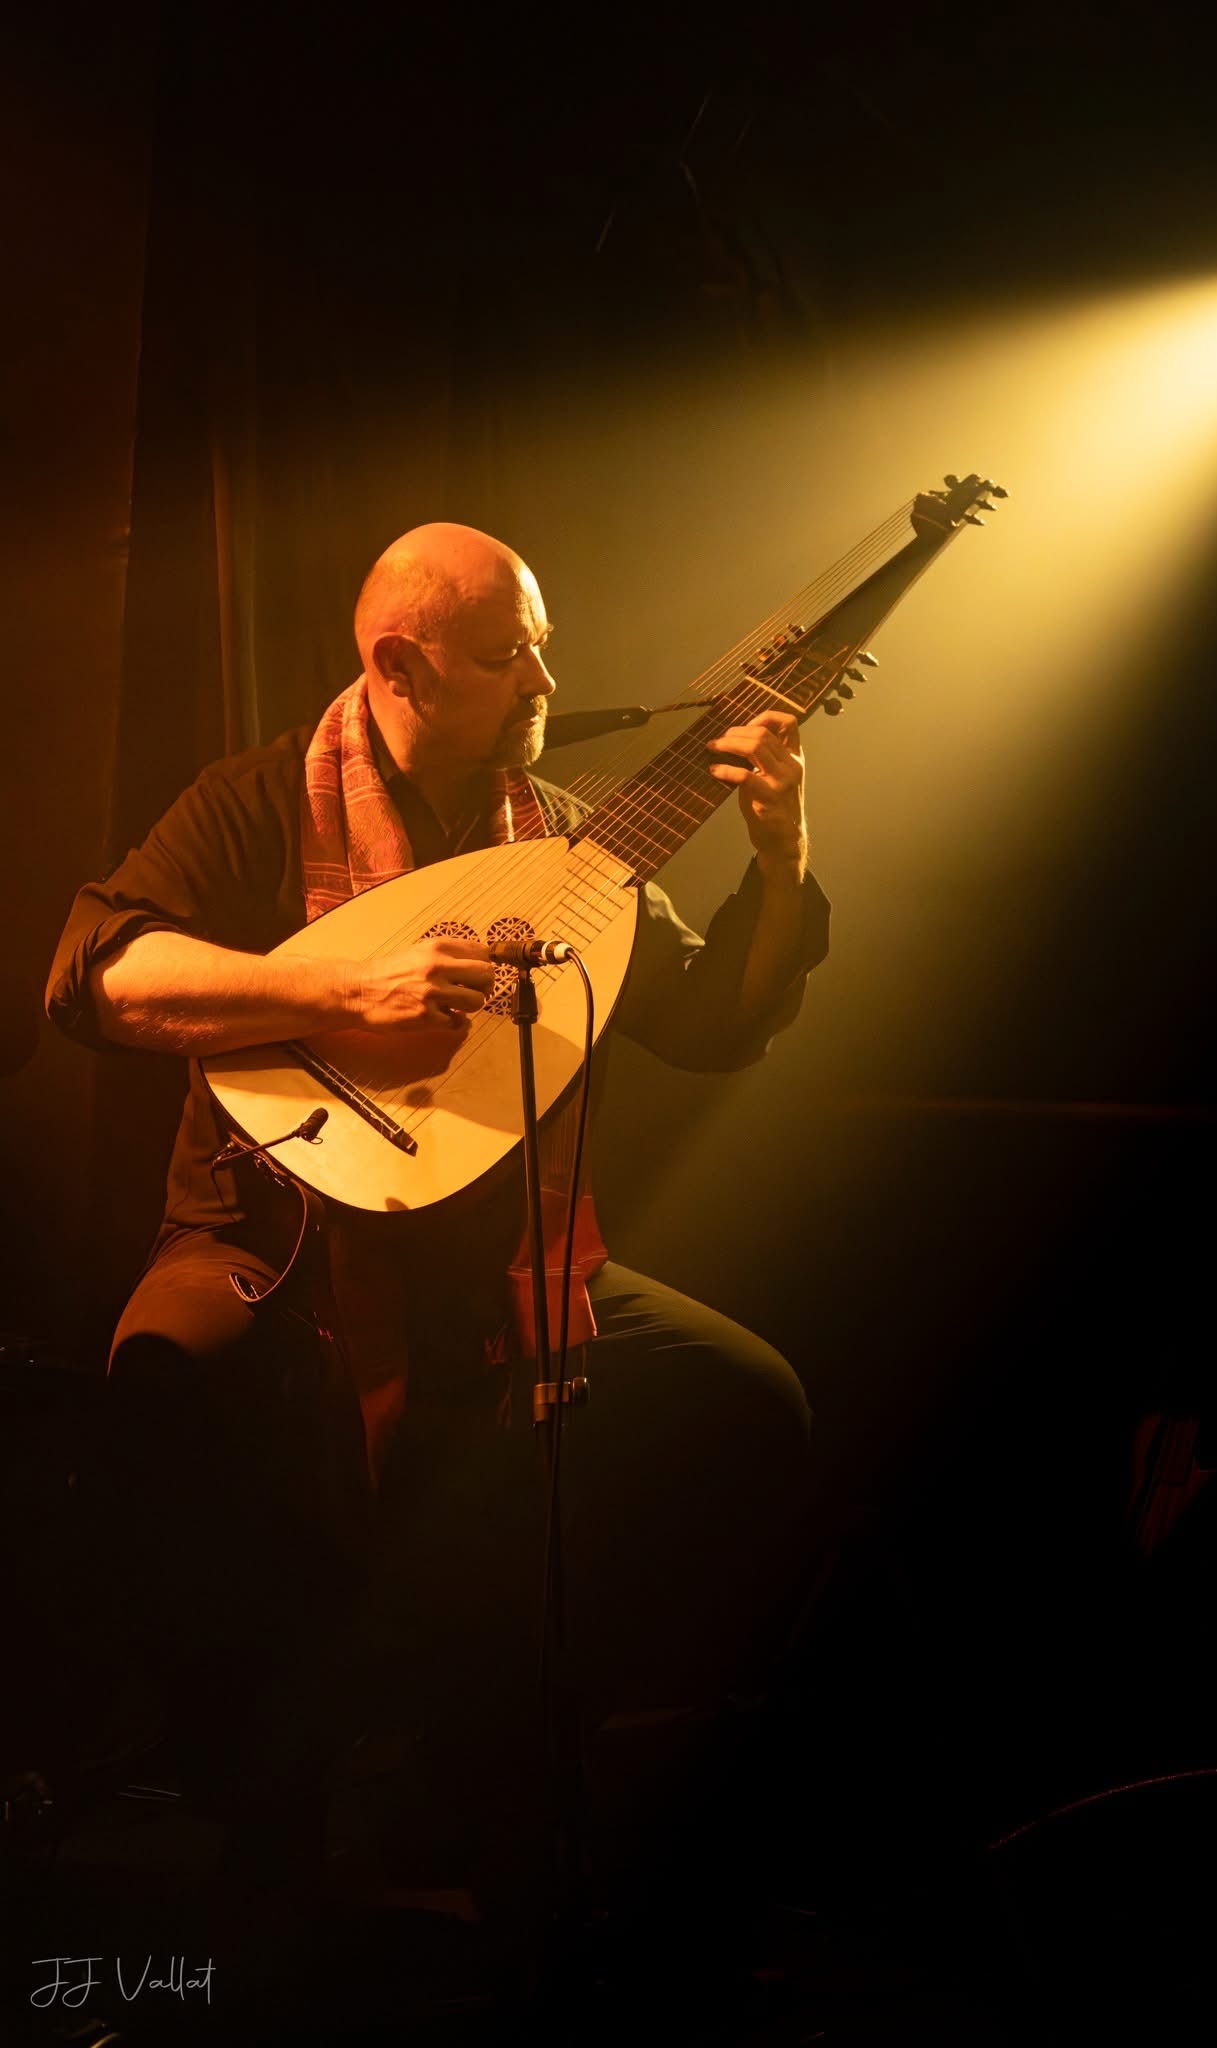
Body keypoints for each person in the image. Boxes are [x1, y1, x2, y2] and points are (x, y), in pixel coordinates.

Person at [46, 522, 829, 1902]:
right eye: (505, 654)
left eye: (543, 645)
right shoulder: (255, 802)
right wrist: (343, 991)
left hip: (497, 1253)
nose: (544, 680)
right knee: (166, 1384)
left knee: (745, 1402)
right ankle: (252, 1812)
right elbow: (96, 977)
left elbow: (714, 1027)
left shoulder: (569, 838)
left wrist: (780, 859)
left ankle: (512, 1745)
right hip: (268, 1234)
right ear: (399, 664)